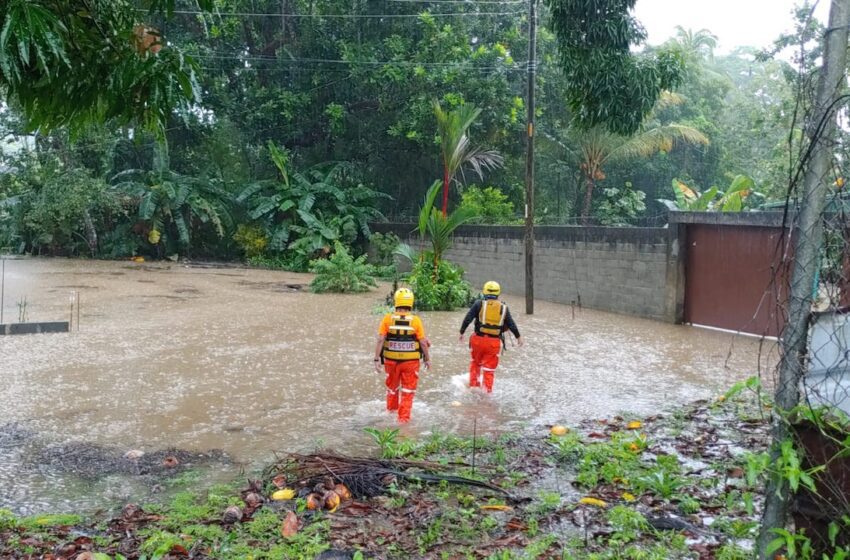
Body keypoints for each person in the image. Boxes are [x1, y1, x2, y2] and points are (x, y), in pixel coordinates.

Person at [374, 288, 431, 423]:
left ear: (396, 302)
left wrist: (376, 359)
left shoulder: (387, 319)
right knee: (408, 390)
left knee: (392, 388)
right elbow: (422, 342)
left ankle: (391, 412)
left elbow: (380, 339)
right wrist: (427, 359)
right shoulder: (416, 321)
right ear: (410, 302)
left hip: (391, 362)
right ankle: (403, 421)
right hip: (410, 363)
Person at [458, 281, 522, 393]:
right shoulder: (504, 308)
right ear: (498, 293)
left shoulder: (478, 304)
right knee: (489, 370)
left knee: (475, 364)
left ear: (484, 292)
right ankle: (486, 395)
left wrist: (462, 331)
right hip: (493, 343)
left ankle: (473, 387)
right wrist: (518, 337)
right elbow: (511, 324)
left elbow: (468, 318)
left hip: (477, 340)